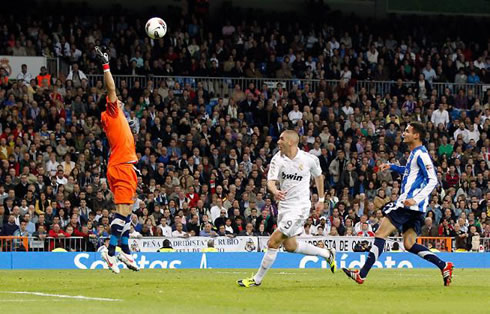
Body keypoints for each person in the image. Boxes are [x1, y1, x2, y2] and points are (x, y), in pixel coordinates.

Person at [342, 122, 454, 286]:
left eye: (407, 131)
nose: (404, 134)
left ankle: (362, 274)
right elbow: (410, 172)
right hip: (415, 208)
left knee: (380, 234)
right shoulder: (414, 154)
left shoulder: (421, 154)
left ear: (416, 135)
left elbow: (433, 179)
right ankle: (444, 266)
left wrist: (416, 198)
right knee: (409, 244)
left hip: (408, 204)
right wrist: (393, 166)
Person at [237, 130, 336, 288]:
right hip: (284, 207)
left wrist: (322, 199)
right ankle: (326, 253)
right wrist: (275, 191)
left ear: (290, 142)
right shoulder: (278, 159)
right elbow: (270, 181)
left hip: (300, 208)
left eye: (281, 139)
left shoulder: (309, 159)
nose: (278, 142)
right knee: (290, 246)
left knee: (273, 242)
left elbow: (319, 176)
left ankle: (257, 279)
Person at [95, 46, 139, 273]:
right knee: (122, 212)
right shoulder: (111, 112)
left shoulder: (117, 118)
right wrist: (106, 65)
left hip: (123, 165)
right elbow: (111, 87)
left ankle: (126, 253)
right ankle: (110, 253)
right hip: (121, 166)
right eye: (117, 100)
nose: (119, 100)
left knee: (128, 211)